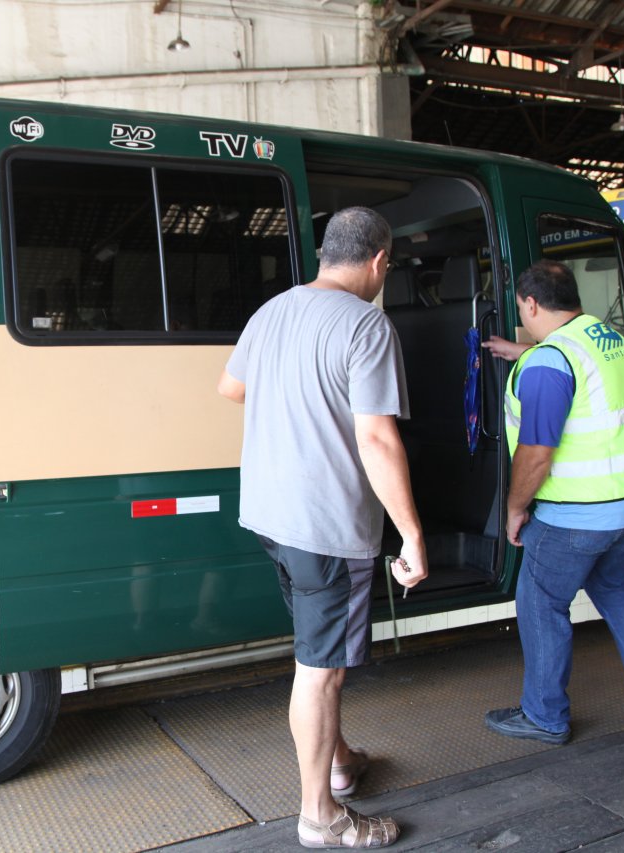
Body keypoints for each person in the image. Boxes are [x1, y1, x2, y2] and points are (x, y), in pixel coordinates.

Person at [218, 207, 427, 849]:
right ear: (378, 262)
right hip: (326, 524)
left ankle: (338, 762)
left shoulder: (273, 310)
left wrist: (295, 401)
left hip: (270, 517)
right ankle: (321, 817)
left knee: (316, 651)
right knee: (321, 672)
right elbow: (376, 438)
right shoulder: (366, 324)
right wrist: (413, 536)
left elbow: (230, 388)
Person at [481, 259, 624, 747]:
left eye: (521, 308)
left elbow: (536, 453)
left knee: (541, 600)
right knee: (617, 589)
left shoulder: (548, 364)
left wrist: (515, 509)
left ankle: (544, 716)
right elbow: (575, 372)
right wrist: (524, 352)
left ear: (531, 304)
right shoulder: (609, 339)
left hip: (579, 515)